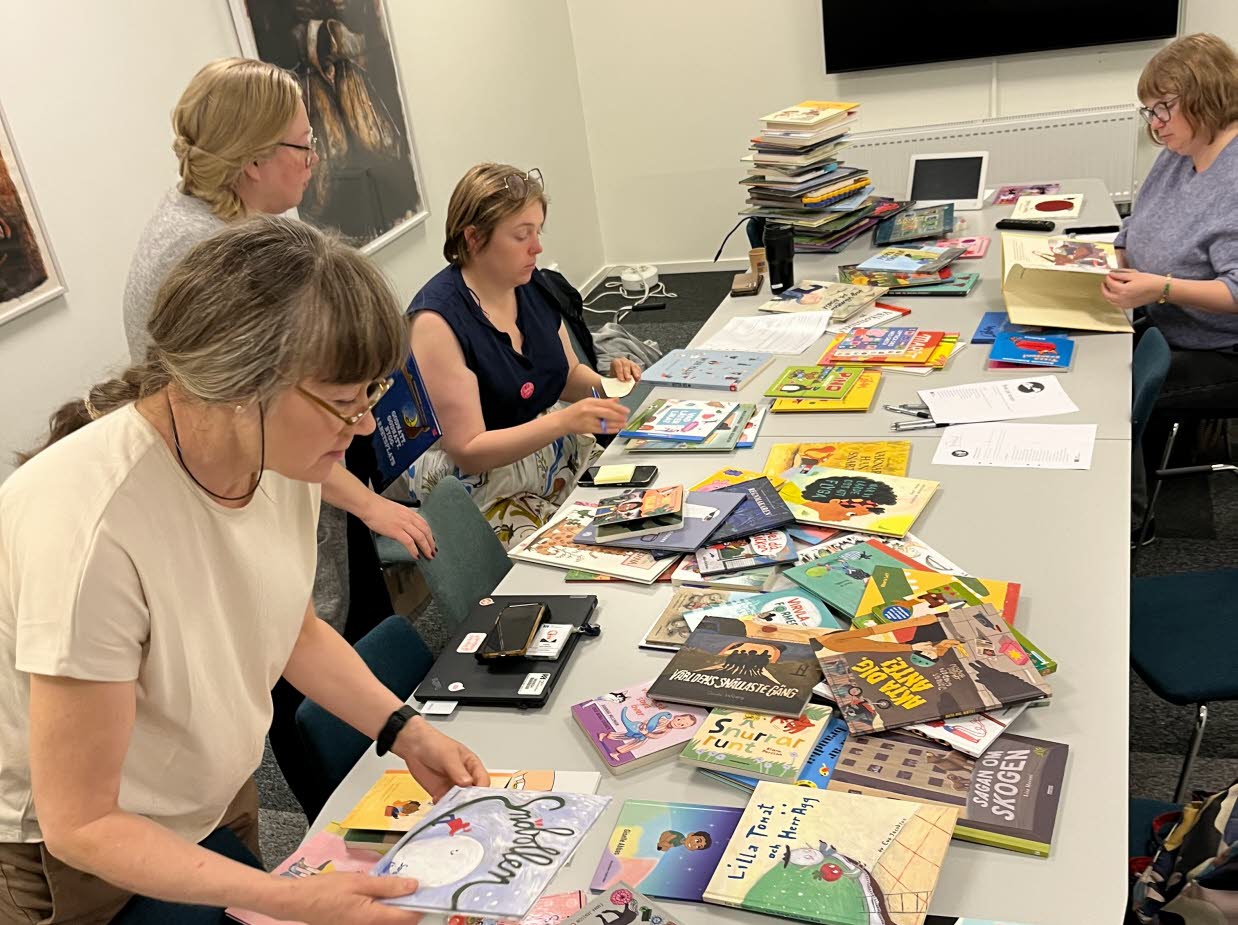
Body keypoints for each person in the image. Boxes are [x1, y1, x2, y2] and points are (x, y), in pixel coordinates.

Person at [0, 217, 487, 924]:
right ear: (237, 385)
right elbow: (83, 821)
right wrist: (287, 898)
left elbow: (290, 628)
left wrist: (404, 728)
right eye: (342, 402)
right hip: (80, 849)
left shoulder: (277, 451)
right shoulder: (93, 530)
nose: (362, 425)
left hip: (201, 785)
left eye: (371, 393)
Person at [119, 58, 432, 812]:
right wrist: (367, 501)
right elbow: (250, 426)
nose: (314, 157)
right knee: (294, 684)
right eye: (301, 144)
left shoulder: (259, 220)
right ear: (252, 158)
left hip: (287, 481)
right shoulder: (199, 256)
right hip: (248, 495)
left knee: (337, 638)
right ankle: (341, 802)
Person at [408, 163, 638, 546]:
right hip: (485, 486)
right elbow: (469, 451)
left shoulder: (530, 285)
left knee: (637, 510)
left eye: (538, 231)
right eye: (521, 235)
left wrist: (611, 384)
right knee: (581, 550)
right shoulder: (437, 324)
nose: (537, 247)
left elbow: (566, 376)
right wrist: (565, 422)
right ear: (474, 238)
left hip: (548, 455)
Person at [1100, 34, 1238, 541]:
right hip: (1163, 321)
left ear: (1207, 95)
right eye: (1149, 111)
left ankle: (1133, 525)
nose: (1155, 124)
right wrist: (1109, 257)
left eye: (1164, 108)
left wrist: (1159, 288)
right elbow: (1137, 223)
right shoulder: (1182, 150)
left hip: (1220, 348)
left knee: (1110, 390)